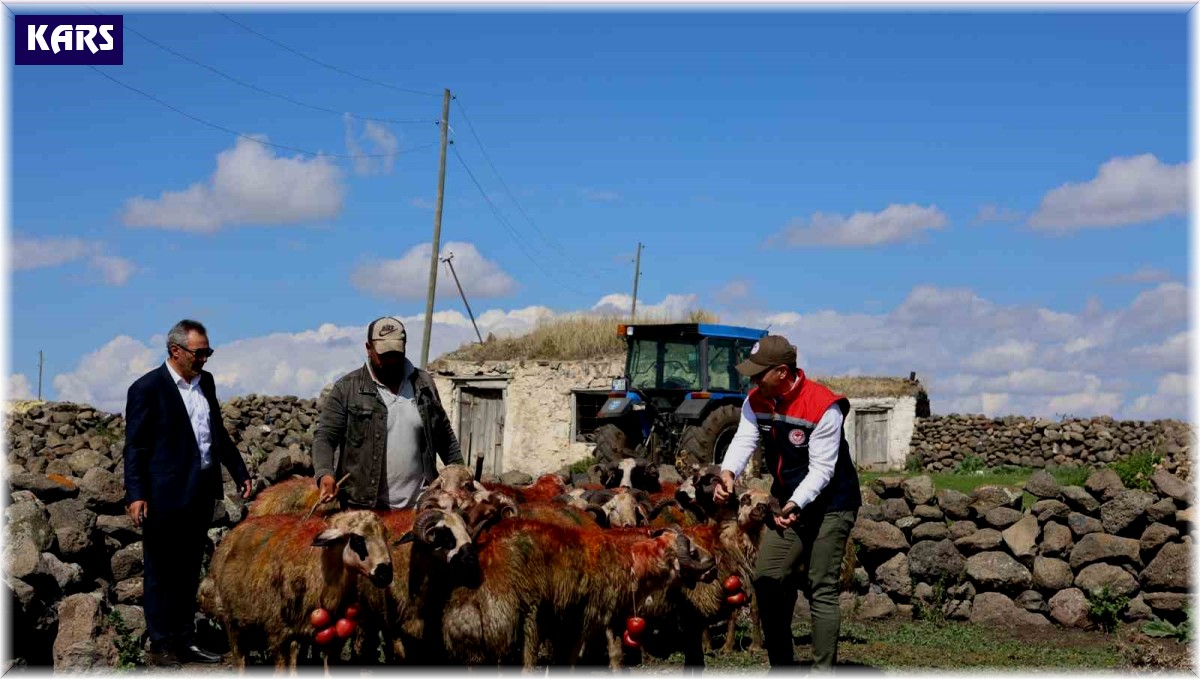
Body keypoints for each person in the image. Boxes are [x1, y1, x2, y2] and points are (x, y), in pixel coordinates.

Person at [712, 334, 861, 671]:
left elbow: (822, 470)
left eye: (757, 374)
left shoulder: (824, 407)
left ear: (781, 372)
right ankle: (782, 667)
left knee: (821, 585)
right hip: (788, 503)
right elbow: (743, 440)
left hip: (832, 504)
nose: (751, 381)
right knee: (767, 578)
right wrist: (728, 473)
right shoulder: (756, 400)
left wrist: (795, 504)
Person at [123, 319, 252, 668]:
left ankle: (185, 638)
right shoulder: (146, 389)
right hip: (163, 495)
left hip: (199, 493)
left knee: (187, 570)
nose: (205, 358)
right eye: (200, 352)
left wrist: (239, 471)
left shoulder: (205, 382)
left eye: (208, 351)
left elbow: (216, 433)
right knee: (161, 571)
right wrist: (136, 494)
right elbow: (134, 448)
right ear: (175, 351)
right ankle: (162, 643)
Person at [313, 316, 463, 509]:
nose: (391, 360)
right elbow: (325, 437)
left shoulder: (424, 384)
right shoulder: (346, 389)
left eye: (396, 353)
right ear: (368, 348)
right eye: (384, 355)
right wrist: (325, 474)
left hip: (422, 506)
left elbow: (445, 439)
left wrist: (461, 476)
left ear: (405, 347)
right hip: (364, 508)